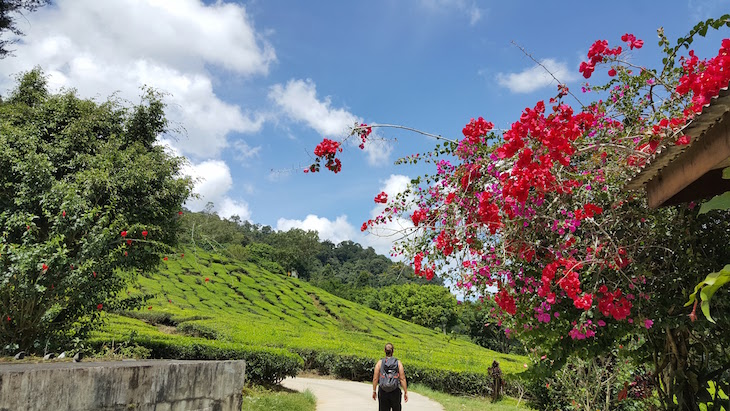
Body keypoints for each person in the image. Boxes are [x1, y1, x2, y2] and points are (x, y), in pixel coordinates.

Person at [372, 342, 408, 411]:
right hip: (395, 391)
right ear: (393, 351)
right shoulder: (398, 362)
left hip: (383, 391)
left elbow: (375, 378)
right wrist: (405, 392)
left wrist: (374, 391)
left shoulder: (380, 362)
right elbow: (402, 378)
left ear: (384, 351)